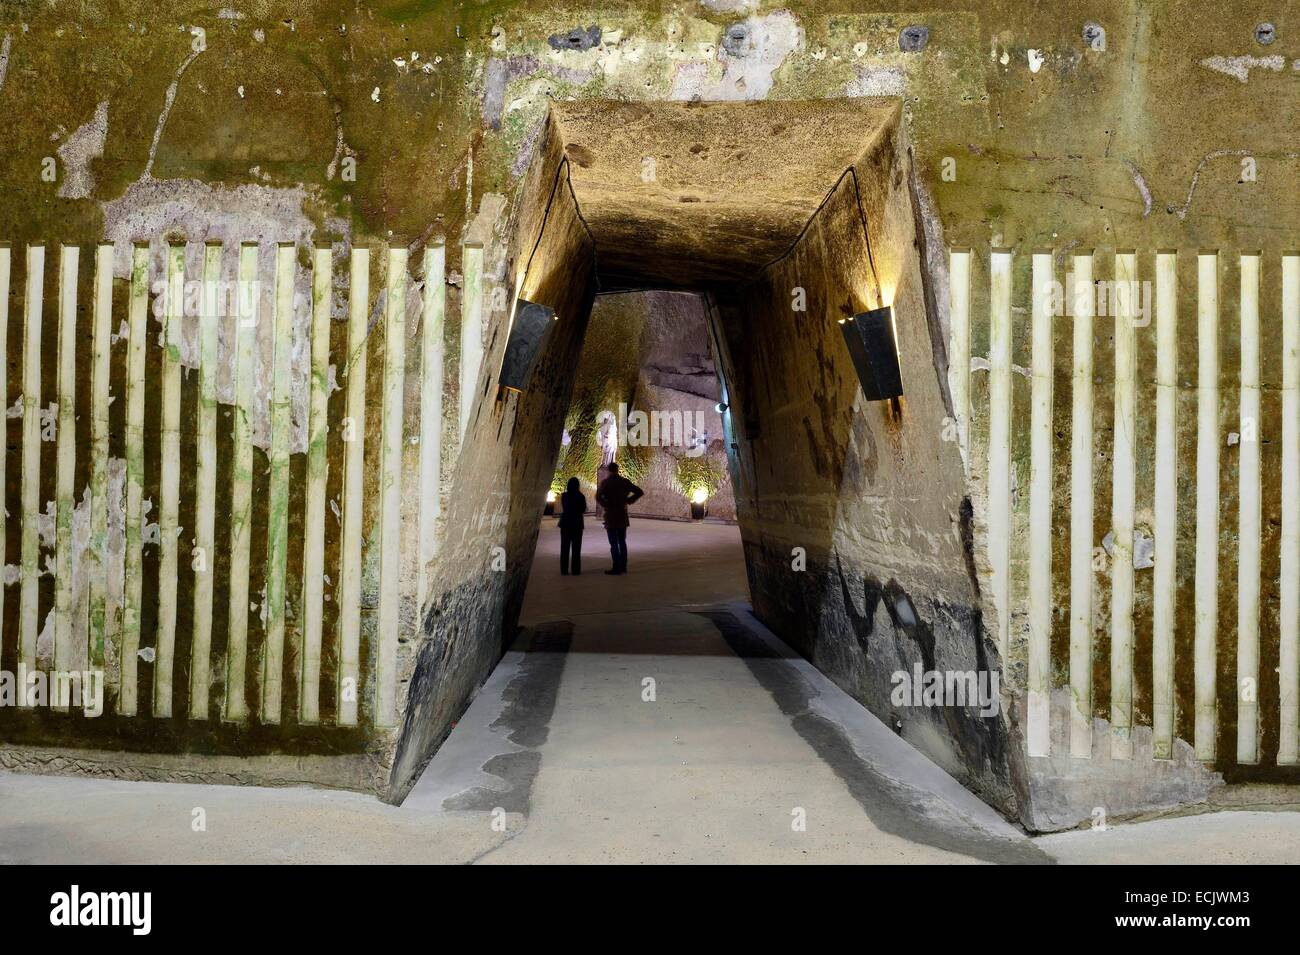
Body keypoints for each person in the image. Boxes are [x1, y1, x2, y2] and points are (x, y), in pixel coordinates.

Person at [595, 462, 643, 575]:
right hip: (622, 515)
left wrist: (606, 504)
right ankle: (623, 566)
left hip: (611, 516)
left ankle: (616, 567)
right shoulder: (624, 482)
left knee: (613, 543)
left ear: (609, 470)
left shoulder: (606, 483)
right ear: (617, 470)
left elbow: (598, 497)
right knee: (622, 542)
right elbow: (639, 492)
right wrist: (628, 501)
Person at [558, 477, 586, 576]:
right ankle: (576, 570)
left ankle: (564, 570)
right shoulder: (581, 496)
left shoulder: (564, 496)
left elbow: (565, 508)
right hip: (577, 524)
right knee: (576, 548)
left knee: (564, 548)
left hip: (565, 523)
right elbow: (583, 509)